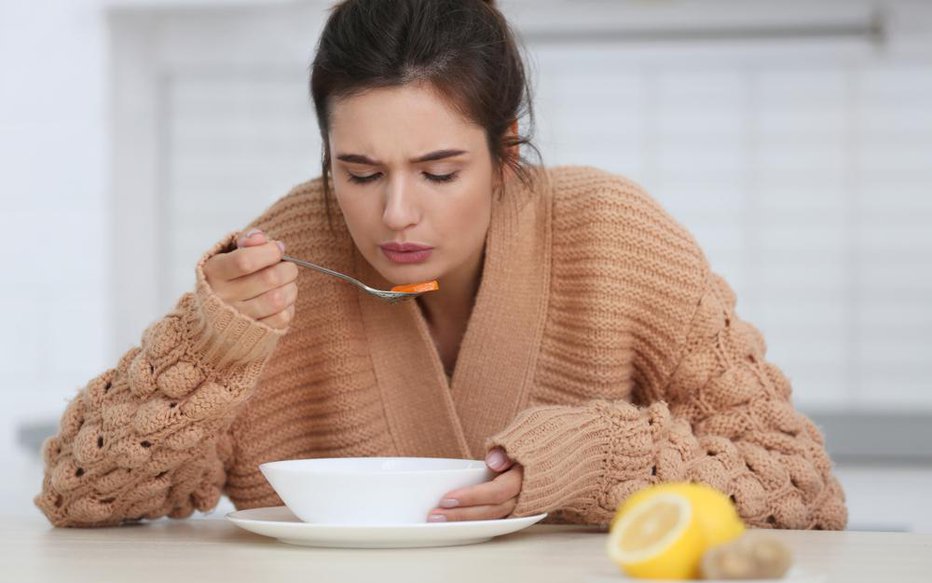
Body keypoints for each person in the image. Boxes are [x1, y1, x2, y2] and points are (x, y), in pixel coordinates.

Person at [35, 0, 847, 529]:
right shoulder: (280, 263)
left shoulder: (614, 237)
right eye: (359, 172)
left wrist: (600, 455)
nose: (395, 214)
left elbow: (804, 489)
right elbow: (80, 493)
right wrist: (206, 347)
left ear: (505, 155)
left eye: (438, 171)